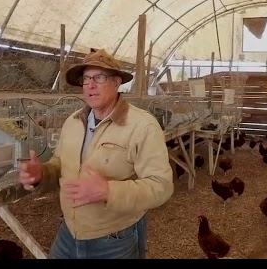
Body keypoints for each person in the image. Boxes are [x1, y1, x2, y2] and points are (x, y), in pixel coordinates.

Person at [19, 48, 173, 258]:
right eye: (86, 79)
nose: (90, 85)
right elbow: (60, 165)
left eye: (99, 77)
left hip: (113, 241)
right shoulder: (73, 122)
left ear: (117, 82)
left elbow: (161, 186)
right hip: (68, 233)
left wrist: (108, 191)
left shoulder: (142, 126)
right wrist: (41, 174)